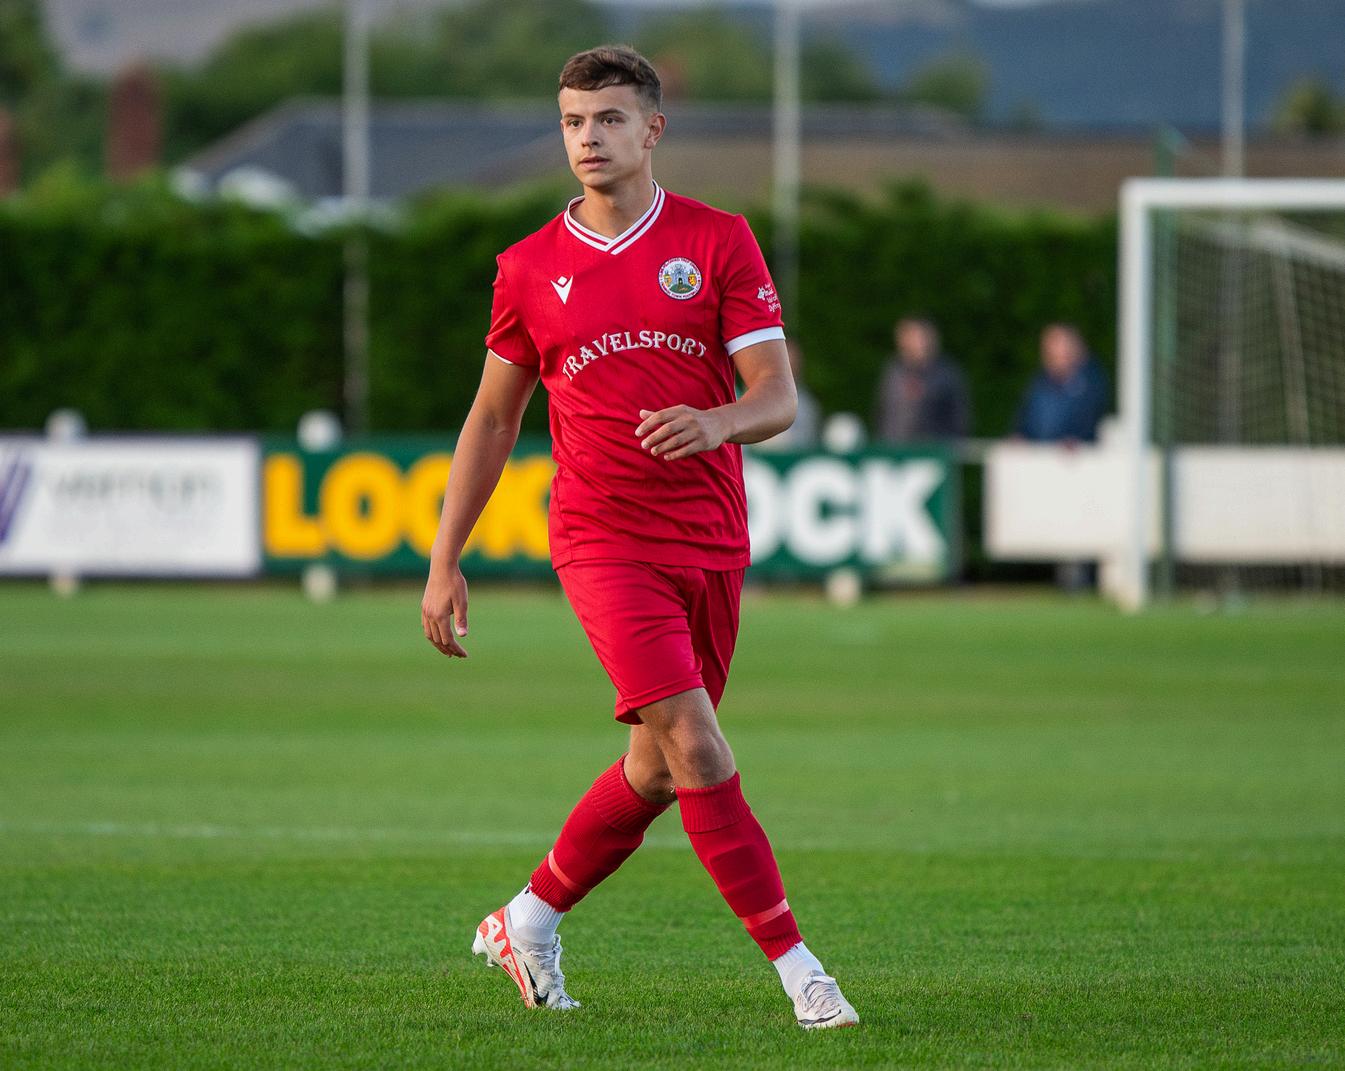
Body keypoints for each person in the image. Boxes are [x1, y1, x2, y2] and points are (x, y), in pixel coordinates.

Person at [419, 45, 858, 1031]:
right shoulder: (528, 267)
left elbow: (776, 396)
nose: (588, 138)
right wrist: (445, 560)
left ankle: (527, 918)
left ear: (652, 129)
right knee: (696, 743)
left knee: (655, 768)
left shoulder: (717, 241)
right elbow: (492, 419)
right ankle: (802, 974)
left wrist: (716, 421)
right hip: (599, 538)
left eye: (609, 119)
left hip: (709, 537)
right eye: (573, 121)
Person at [875, 317, 971, 443]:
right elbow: (882, 411)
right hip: (894, 447)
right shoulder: (893, 370)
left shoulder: (947, 373)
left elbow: (960, 417)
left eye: (914, 337)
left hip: (933, 448)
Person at [1013, 323, 1109, 443]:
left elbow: (1092, 421)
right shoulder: (1038, 383)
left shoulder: (1091, 383)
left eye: (1059, 348)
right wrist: (1020, 435)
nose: (1053, 355)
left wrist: (1078, 439)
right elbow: (1024, 419)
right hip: (1040, 452)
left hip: (1078, 454)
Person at [753, 339, 820, 451]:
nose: (790, 366)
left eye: (792, 361)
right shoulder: (753, 399)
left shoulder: (807, 404)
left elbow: (808, 440)